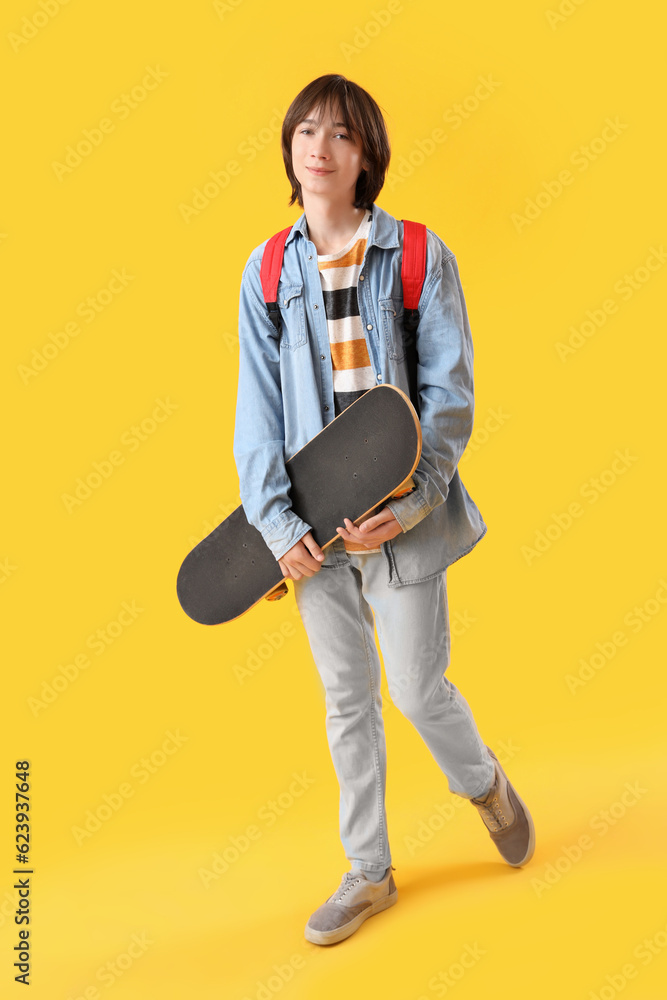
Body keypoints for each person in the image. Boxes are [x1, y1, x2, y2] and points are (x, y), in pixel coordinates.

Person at [233, 74, 535, 946]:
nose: (318, 148)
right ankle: (368, 871)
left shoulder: (415, 256)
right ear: (289, 149)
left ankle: (481, 784)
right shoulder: (265, 271)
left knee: (413, 687)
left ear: (366, 155)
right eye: (304, 133)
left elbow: (449, 397)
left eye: (339, 135)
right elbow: (255, 415)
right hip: (314, 535)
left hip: (400, 519)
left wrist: (408, 506)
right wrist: (277, 526)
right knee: (345, 698)